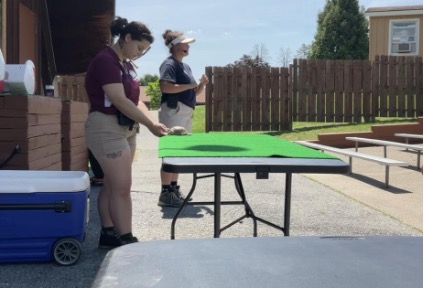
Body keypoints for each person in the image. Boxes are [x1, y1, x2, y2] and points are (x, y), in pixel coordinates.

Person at [85, 16, 168, 248]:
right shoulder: (106, 60)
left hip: (126, 128)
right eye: (139, 47)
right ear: (127, 37)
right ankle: (127, 241)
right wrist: (151, 126)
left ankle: (109, 234)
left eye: (145, 50)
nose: (140, 53)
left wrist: (153, 121)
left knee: (113, 185)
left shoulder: (127, 64)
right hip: (106, 127)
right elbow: (119, 101)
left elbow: (136, 100)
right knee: (122, 187)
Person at [157, 30, 209, 207]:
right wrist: (191, 84)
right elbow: (166, 88)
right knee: (171, 152)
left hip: (185, 112)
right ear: (176, 46)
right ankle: (165, 193)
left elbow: (193, 91)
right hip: (174, 111)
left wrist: (200, 84)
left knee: (178, 153)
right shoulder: (169, 64)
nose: (188, 47)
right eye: (185, 43)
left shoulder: (185, 67)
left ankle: (173, 189)